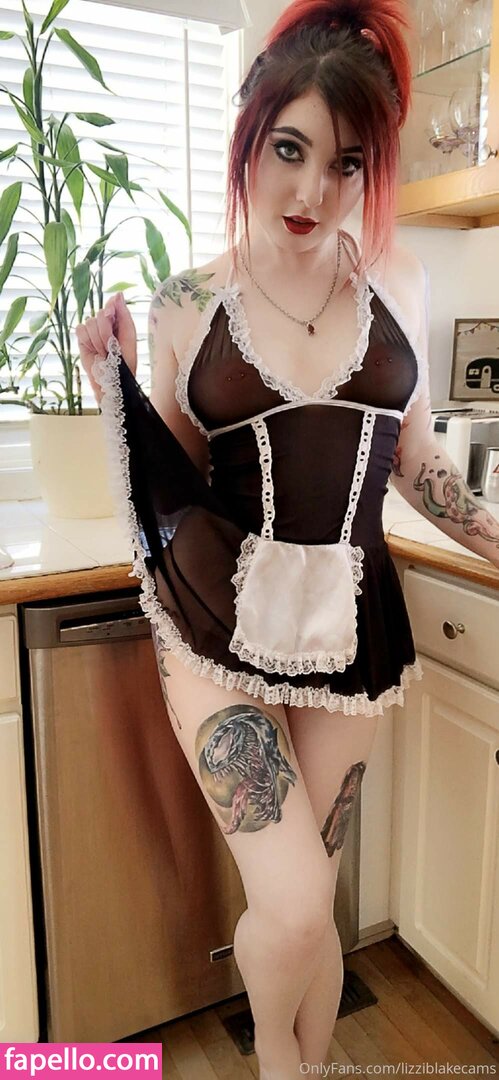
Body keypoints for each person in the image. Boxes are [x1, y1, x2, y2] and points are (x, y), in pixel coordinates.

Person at [76, 1, 499, 1076]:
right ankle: (278, 1058)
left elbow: (414, 461)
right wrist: (109, 388)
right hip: (217, 623)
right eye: (289, 150)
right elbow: (166, 486)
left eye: (346, 163)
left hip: (349, 622)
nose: (311, 192)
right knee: (298, 897)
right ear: (249, 138)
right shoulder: (187, 301)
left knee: (315, 889)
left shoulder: (397, 281)